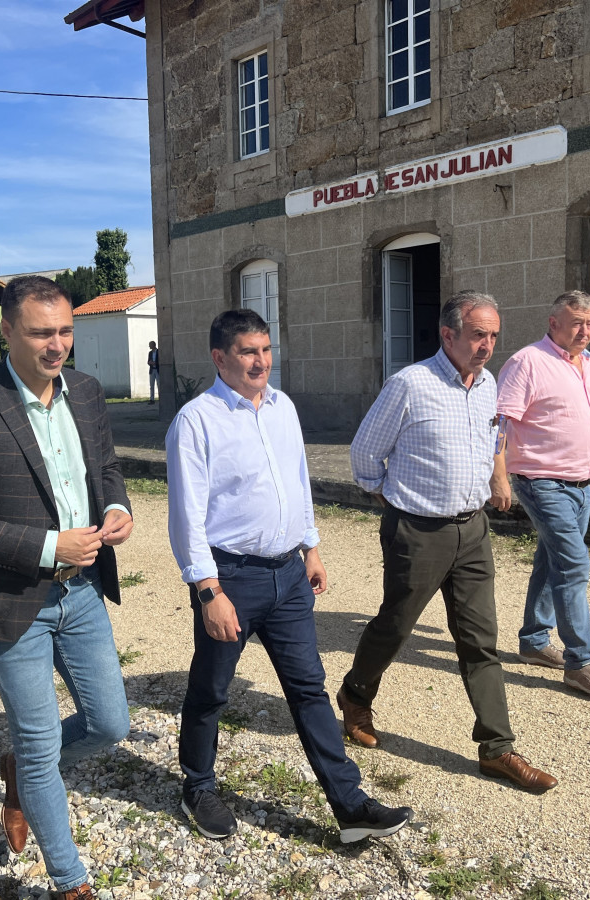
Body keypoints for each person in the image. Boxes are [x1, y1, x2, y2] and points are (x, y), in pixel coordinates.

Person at [166, 308, 414, 843]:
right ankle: (198, 785)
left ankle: (350, 808)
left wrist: (312, 548)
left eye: (266, 348)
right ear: (219, 358)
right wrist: (208, 592)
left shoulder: (283, 408)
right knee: (212, 687)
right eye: (248, 351)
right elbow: (185, 516)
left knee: (309, 690)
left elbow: (297, 483)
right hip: (230, 578)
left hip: (288, 577)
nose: (262, 361)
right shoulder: (197, 420)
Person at [0, 275, 134, 900]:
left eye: (65, 331)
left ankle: (18, 771)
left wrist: (117, 506)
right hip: (12, 603)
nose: (57, 345)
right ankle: (71, 880)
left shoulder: (88, 393)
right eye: (42, 333)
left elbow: (106, 467)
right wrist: (49, 548)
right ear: (7, 331)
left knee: (110, 726)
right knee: (42, 741)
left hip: (84, 592)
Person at [339, 290, 557, 793]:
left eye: (494, 336)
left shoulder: (488, 386)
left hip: (473, 530)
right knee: (395, 625)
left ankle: (497, 749)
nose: (487, 345)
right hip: (417, 531)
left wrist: (495, 480)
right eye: (478, 334)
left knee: (480, 641)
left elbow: (492, 440)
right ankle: (355, 695)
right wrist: (392, 500)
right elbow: (365, 455)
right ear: (448, 335)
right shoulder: (410, 385)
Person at [493, 290, 590, 699]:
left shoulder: (587, 364)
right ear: (553, 322)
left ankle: (534, 642)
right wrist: (498, 478)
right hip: (541, 482)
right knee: (573, 565)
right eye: (576, 323)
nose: (585, 331)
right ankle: (580, 664)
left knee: (551, 561)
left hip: (581, 486)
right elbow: (500, 423)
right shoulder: (527, 362)